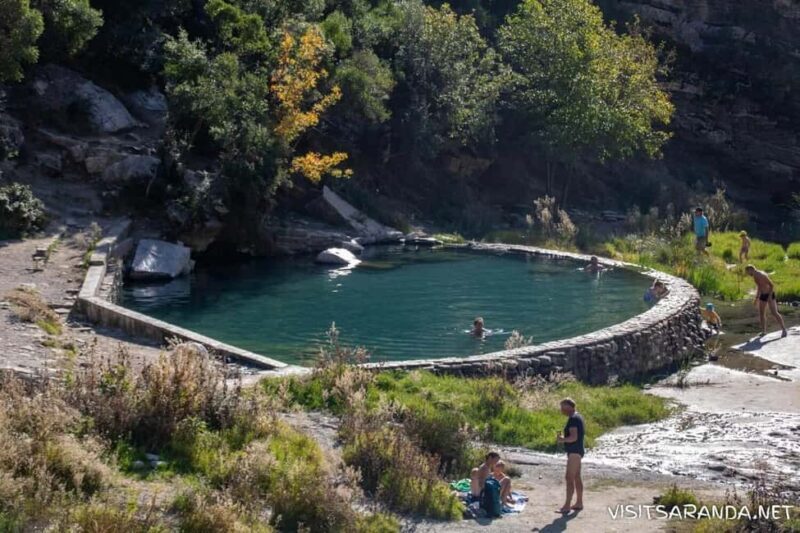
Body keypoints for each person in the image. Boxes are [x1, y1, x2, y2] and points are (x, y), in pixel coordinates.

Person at [557, 398, 584, 513]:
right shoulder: (577, 417)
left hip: (574, 452)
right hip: (577, 451)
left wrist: (562, 439)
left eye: (563, 407)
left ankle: (567, 506)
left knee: (569, 478)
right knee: (577, 477)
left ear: (569, 406)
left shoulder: (573, 419)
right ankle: (579, 503)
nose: (561, 410)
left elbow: (574, 437)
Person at [745, 265, 787, 338]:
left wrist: (770, 296)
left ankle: (784, 330)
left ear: (751, 269)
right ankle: (764, 331)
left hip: (769, 294)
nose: (748, 274)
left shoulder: (761, 274)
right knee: (761, 313)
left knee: (774, 312)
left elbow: (771, 285)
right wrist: (756, 298)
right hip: (763, 295)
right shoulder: (755, 275)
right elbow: (759, 286)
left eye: (748, 272)